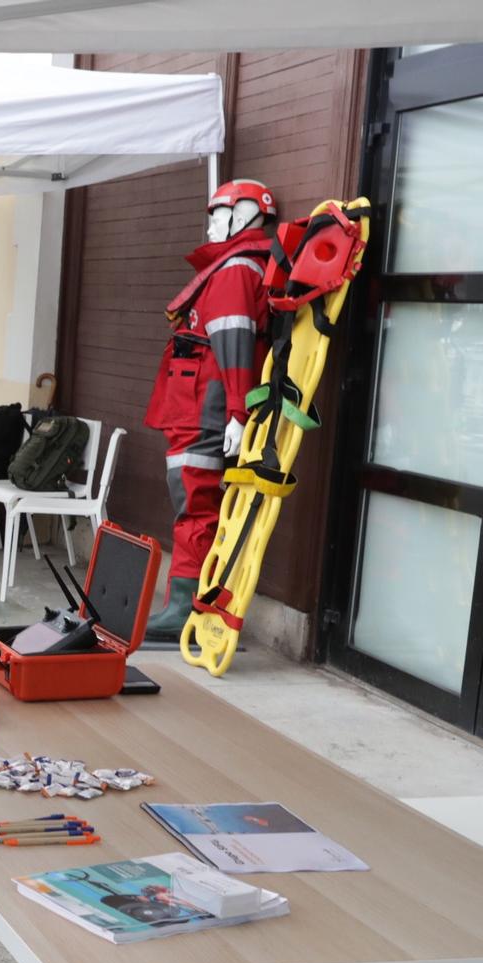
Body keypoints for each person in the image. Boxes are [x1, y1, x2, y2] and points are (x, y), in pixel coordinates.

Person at [141, 179, 277, 641]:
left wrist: (238, 412)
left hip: (207, 407)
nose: (213, 222)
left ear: (247, 214)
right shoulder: (232, 267)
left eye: (221, 212)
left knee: (195, 504)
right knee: (192, 500)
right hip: (194, 405)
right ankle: (183, 603)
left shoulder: (237, 270)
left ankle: (184, 607)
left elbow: (235, 343)